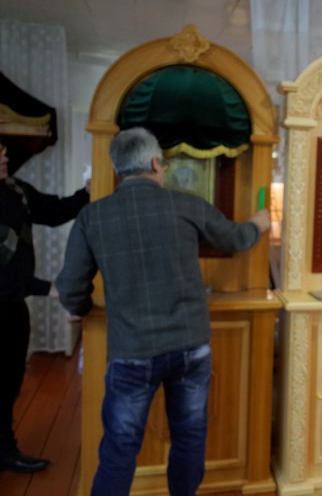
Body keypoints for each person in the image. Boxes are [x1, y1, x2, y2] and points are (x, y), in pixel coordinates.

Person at [55, 128, 270, 495]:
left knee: (120, 446)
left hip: (132, 350)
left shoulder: (93, 216)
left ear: (118, 168)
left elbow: (71, 286)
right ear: (156, 163)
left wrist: (79, 308)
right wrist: (258, 224)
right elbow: (235, 238)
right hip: (190, 345)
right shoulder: (186, 204)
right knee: (189, 436)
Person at [0, 141, 89, 474]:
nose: (5, 155)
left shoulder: (15, 189)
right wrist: (48, 288)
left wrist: (87, 193)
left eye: (3, 149)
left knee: (9, 382)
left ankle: (4, 451)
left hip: (12, 305)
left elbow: (53, 212)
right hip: (11, 295)